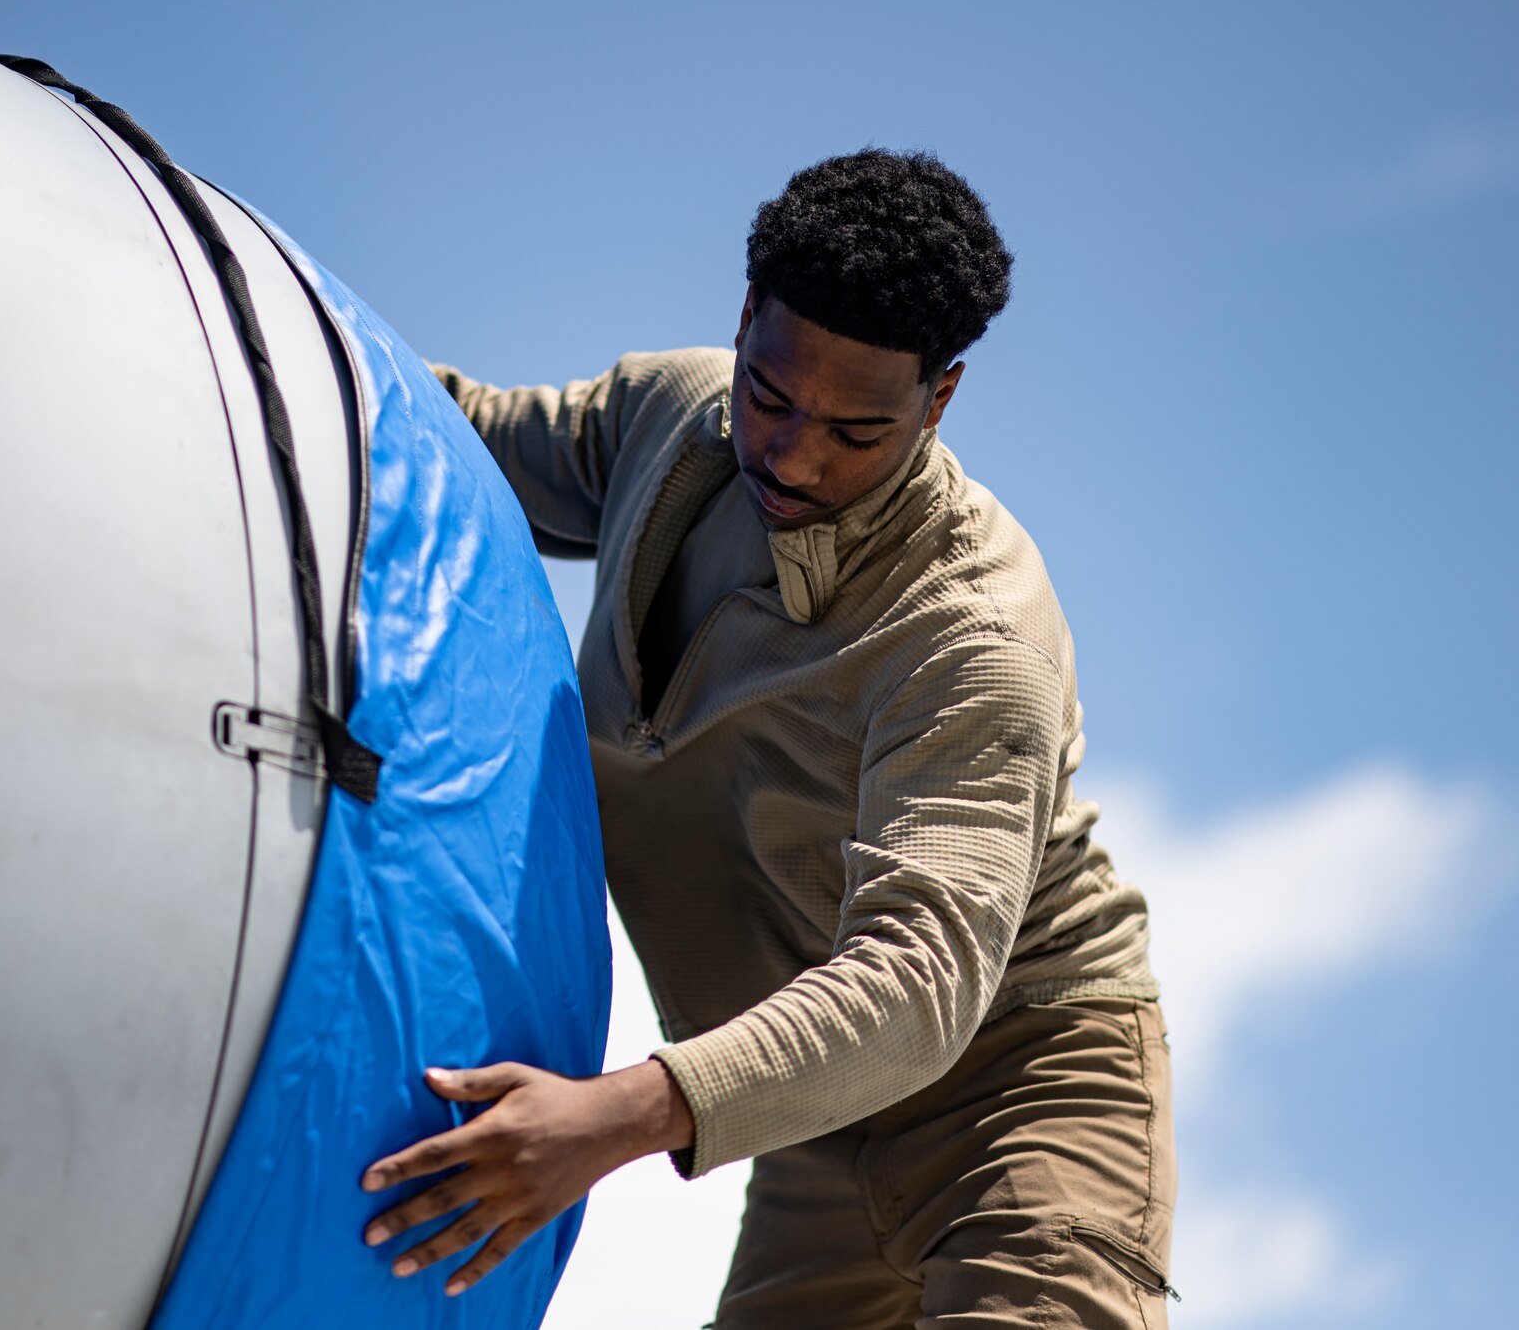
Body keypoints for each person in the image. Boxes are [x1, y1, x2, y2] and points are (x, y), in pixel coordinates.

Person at [358, 149, 1175, 1328]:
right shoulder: (669, 419)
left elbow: (918, 981)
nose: (792, 457)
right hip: (820, 1113)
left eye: (855, 431)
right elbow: (443, 429)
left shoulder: (967, 633)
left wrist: (615, 1116)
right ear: (743, 322)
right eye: (771, 396)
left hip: (1024, 1087)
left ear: (937, 402)